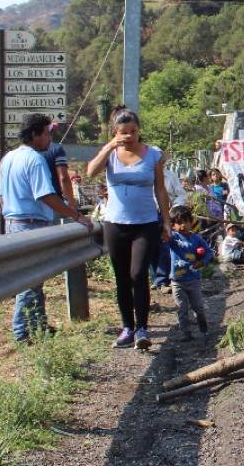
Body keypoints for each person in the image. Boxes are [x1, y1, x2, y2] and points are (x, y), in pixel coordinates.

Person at [0, 114, 93, 344]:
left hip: (13, 223)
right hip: (31, 223)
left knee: (35, 278)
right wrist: (76, 214)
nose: (49, 139)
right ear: (35, 134)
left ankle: (39, 325)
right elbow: (46, 195)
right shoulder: (35, 159)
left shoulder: (8, 158)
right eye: (46, 133)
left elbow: (1, 197)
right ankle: (22, 333)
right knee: (29, 280)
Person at [87, 107, 172, 351]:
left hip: (145, 223)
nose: (129, 136)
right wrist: (109, 147)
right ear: (115, 132)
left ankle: (142, 328)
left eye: (133, 131)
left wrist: (166, 221)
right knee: (122, 278)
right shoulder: (111, 154)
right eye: (124, 132)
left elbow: (160, 189)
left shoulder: (153, 154)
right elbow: (91, 172)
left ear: (139, 130)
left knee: (138, 274)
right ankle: (127, 327)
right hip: (115, 223)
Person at [165, 205, 212, 341]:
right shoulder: (173, 238)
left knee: (198, 306)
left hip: (194, 279)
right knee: (181, 308)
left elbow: (208, 252)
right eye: (179, 223)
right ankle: (186, 333)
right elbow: (162, 237)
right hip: (177, 281)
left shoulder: (197, 239)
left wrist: (201, 262)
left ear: (191, 222)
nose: (183, 225)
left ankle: (202, 325)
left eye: (186, 221)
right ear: (173, 226)